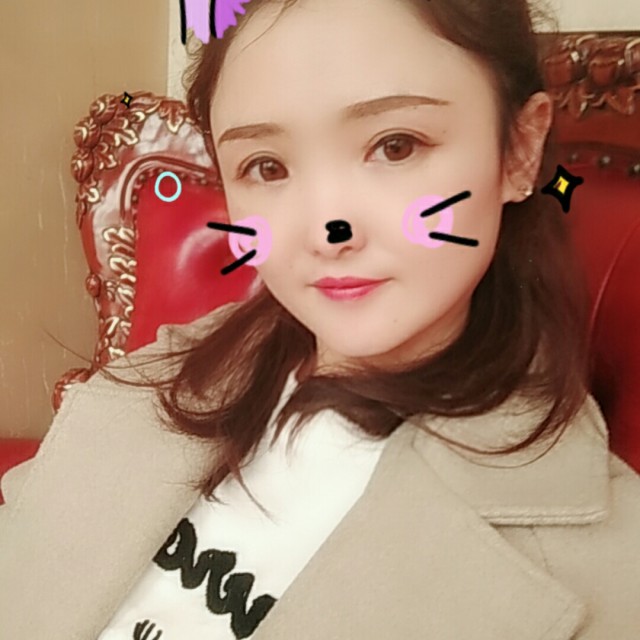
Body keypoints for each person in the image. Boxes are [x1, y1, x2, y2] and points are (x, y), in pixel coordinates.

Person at [1, 0, 640, 638]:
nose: (327, 230)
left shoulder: (612, 572)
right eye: (267, 167)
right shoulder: (146, 384)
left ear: (520, 150)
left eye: (395, 146)